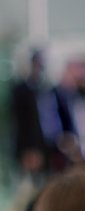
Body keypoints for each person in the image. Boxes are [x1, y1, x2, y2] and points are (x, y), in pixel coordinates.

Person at [7, 49, 49, 179]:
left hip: (41, 143)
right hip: (28, 144)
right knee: (27, 181)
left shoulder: (42, 88)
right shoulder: (21, 89)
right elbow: (21, 121)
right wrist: (28, 147)